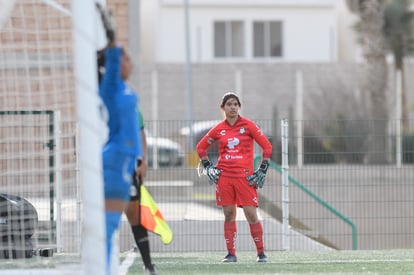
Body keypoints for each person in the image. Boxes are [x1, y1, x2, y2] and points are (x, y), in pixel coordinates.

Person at [196, 92, 272, 263]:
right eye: (229, 104)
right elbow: (201, 148)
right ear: (222, 108)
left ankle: (261, 253)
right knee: (229, 214)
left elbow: (267, 146)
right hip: (224, 178)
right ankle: (231, 254)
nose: (233, 107)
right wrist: (208, 167)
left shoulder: (249, 125)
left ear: (239, 107)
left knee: (251, 214)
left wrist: (263, 168)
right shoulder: (219, 128)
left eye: (236, 104)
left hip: (245, 178)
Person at [124, 109, 159, 275]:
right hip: (107, 168)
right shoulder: (97, 104)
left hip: (129, 168)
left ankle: (148, 265)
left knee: (134, 214)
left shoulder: (130, 104)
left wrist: (143, 161)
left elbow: (141, 134)